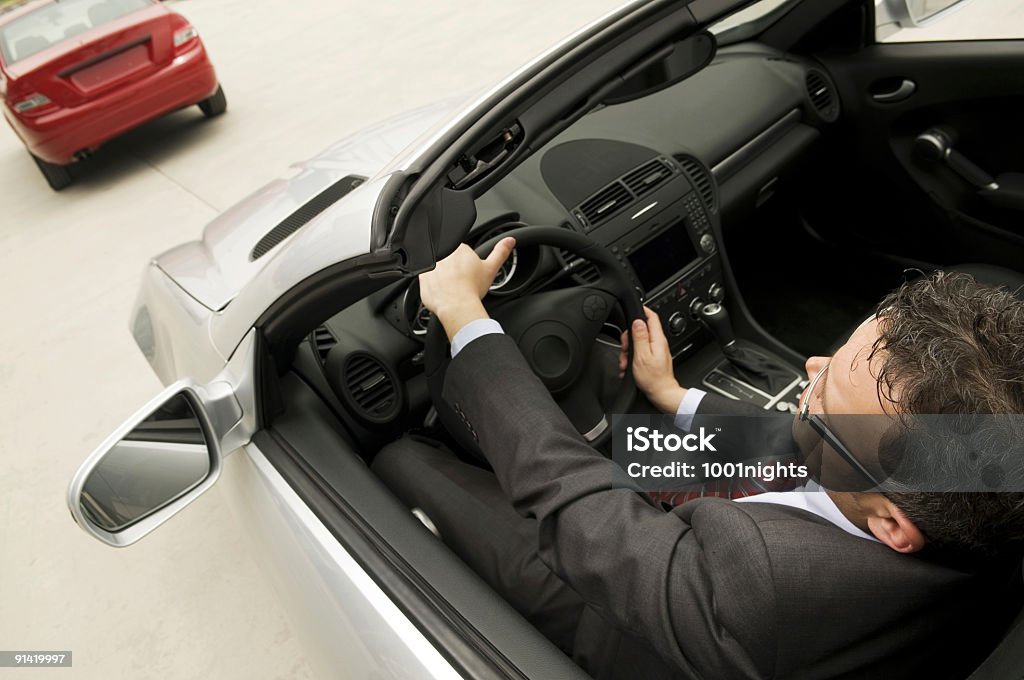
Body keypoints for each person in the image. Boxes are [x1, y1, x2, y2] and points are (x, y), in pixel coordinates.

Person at [372, 237, 1024, 679]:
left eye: (822, 397)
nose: (811, 367)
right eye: (835, 358)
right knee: (632, 452)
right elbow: (816, 461)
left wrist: (467, 321)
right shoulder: (983, 482)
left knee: (406, 465)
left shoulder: (764, 589)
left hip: (634, 634)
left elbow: (573, 500)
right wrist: (674, 397)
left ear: (889, 525)